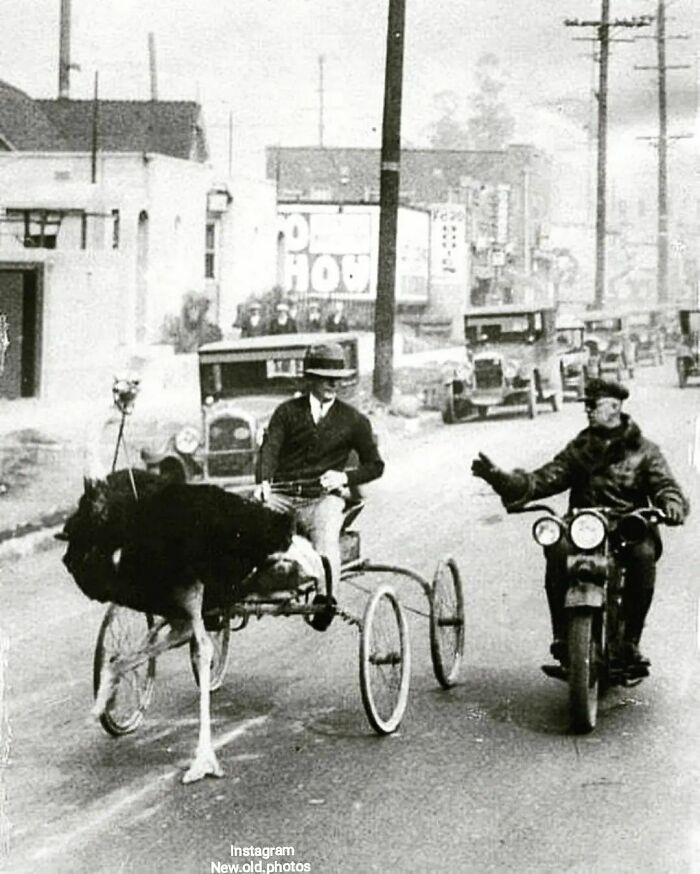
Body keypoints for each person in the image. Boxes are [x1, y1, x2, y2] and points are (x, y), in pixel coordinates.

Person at [471, 378, 688, 668]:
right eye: (586, 405)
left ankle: (629, 643)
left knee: (643, 556)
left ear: (614, 406)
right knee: (557, 551)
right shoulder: (580, 448)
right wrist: (504, 480)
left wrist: (670, 504)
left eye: (592, 405)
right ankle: (563, 635)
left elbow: (665, 485)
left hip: (628, 526)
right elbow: (545, 478)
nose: (587, 410)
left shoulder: (645, 451)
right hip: (585, 526)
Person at [257, 342, 384, 616]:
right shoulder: (286, 412)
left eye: (337, 379)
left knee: (327, 536)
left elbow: (375, 466)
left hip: (322, 499)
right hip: (282, 497)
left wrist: (344, 477)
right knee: (245, 521)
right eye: (326, 378)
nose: (333, 384)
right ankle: (233, 587)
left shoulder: (354, 420)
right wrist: (264, 482)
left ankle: (326, 601)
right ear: (310, 379)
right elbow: (269, 449)